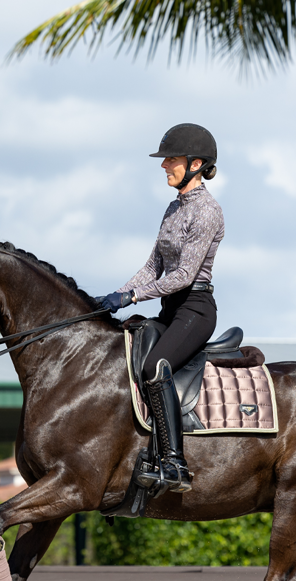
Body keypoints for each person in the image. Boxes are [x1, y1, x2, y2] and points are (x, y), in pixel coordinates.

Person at [97, 123, 224, 493]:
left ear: (196, 163)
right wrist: (112, 297)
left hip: (196, 309)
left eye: (171, 159)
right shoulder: (173, 209)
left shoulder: (208, 212)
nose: (164, 165)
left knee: (155, 367)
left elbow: (183, 275)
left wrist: (134, 298)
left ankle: (175, 463)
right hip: (171, 308)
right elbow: (153, 267)